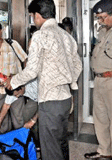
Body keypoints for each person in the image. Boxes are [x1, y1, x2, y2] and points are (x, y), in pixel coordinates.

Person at [5, 0, 82, 159]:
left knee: (50, 148)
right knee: (61, 142)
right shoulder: (65, 35)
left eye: (32, 16)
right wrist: (68, 80)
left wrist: (12, 82)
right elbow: (78, 65)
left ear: (38, 15)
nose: (33, 20)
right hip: (66, 99)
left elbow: (31, 70)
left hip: (50, 100)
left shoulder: (40, 35)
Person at [84, 0, 112, 159]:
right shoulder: (103, 31)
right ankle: (105, 151)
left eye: (102, 17)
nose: (100, 21)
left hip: (111, 80)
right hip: (100, 80)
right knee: (100, 117)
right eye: (98, 18)